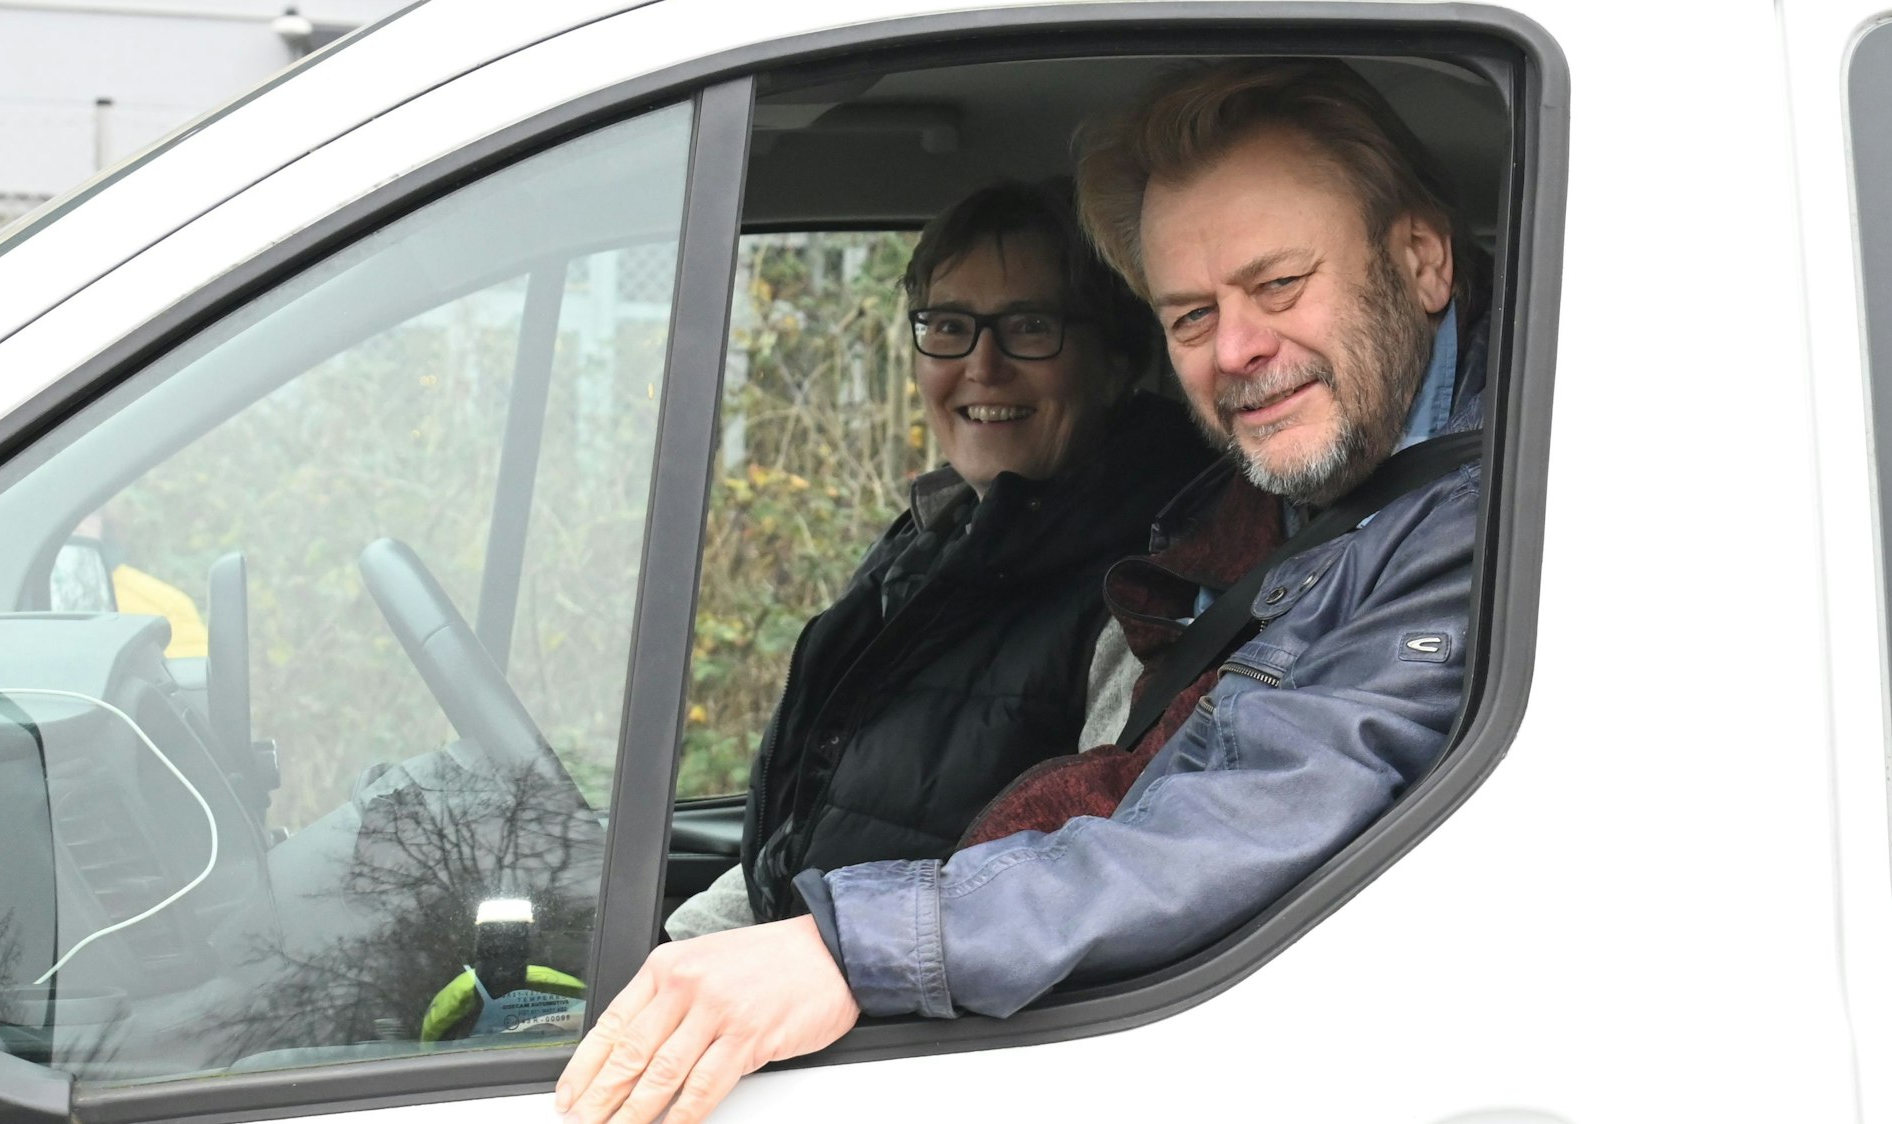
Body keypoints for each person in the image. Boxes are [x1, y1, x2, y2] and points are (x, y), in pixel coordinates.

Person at [556, 58, 1488, 1124]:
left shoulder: (1494, 515)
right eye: (1191, 314)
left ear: (1422, 260)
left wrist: (850, 946)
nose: (1237, 348)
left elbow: (1249, 813)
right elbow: (801, 826)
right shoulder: (1233, 513)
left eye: (1279, 285)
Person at [662, 180, 1232, 940]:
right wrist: (672, 952)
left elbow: (1079, 895)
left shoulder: (1141, 593)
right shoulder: (931, 541)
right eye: (949, 326)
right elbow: (817, 838)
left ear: (1115, 360)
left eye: (1030, 327)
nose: (981, 365)